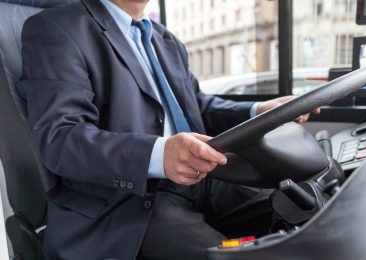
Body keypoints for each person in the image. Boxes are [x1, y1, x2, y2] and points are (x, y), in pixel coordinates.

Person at [18, 0, 318, 259]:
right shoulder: (56, 29)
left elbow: (199, 108)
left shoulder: (165, 39)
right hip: (126, 201)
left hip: (203, 178)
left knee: (303, 214)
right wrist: (160, 154)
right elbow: (60, 137)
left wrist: (259, 110)